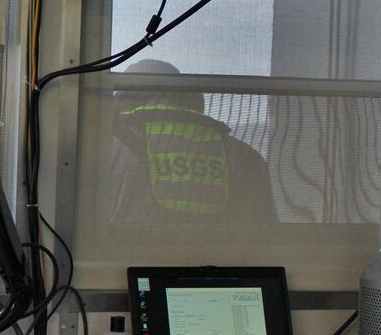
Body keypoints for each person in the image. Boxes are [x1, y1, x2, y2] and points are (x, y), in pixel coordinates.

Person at [107, 59, 276, 223]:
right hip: (220, 252)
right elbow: (265, 232)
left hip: (122, 251)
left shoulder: (103, 147)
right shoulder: (246, 157)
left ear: (123, 100)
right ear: (189, 98)